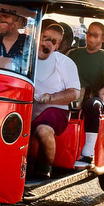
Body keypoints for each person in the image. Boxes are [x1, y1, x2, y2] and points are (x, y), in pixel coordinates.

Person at [31, 24, 81, 179]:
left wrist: (50, 98)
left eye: (52, 41)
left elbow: (74, 93)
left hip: (55, 109)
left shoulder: (65, 63)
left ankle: (43, 169)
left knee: (43, 131)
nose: (46, 43)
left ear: (58, 45)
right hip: (26, 105)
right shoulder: (26, 57)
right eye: (44, 38)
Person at [68, 21, 104, 164]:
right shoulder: (74, 54)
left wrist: (102, 90)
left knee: (92, 105)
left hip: (92, 97)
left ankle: (88, 152)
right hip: (71, 94)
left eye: (95, 35)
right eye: (89, 34)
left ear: (103, 38)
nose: (90, 38)